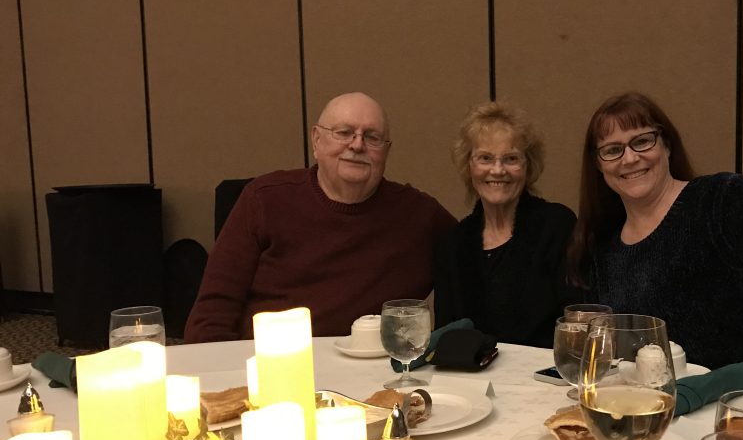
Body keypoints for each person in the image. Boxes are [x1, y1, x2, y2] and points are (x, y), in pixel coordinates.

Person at [566, 91, 743, 389]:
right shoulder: (603, 248)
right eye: (612, 150)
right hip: (664, 405)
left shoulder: (724, 200)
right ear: (598, 165)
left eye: (642, 141)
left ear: (667, 145)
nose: (629, 158)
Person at [185, 92, 456, 342]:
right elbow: (211, 317)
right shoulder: (264, 200)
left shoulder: (419, 216)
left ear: (386, 150)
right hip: (273, 366)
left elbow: (474, 256)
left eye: (372, 137)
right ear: (316, 140)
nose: (357, 145)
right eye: (343, 133)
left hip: (375, 372)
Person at [433, 102, 580, 347]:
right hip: (469, 372)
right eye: (485, 158)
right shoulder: (452, 244)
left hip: (546, 370)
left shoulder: (557, 226)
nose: (498, 170)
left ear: (527, 166)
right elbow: (445, 338)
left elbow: (576, 323)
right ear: (469, 166)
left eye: (511, 158)